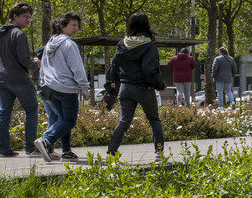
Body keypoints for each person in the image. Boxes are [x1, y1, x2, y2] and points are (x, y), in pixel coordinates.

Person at [105, 12, 167, 162]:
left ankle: (111, 152)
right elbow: (149, 70)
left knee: (123, 122)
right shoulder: (149, 45)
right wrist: (159, 83)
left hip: (125, 88)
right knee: (154, 120)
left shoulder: (121, 44)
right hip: (144, 88)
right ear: (146, 25)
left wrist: (114, 82)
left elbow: (114, 66)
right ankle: (158, 153)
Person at [36, 11, 90, 163]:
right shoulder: (69, 44)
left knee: (63, 120)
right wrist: (85, 88)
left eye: (77, 25)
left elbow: (44, 67)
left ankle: (66, 151)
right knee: (70, 121)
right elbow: (77, 68)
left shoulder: (49, 44)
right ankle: (46, 140)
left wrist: (44, 87)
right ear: (62, 26)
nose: (76, 28)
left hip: (50, 88)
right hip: (66, 89)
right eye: (73, 25)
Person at [0, 2, 40, 158]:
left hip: (1, 80)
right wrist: (35, 65)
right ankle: (30, 148)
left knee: (4, 113)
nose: (28, 20)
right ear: (14, 16)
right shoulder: (19, 34)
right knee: (31, 111)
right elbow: (24, 59)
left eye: (30, 18)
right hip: (19, 79)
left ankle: (4, 150)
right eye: (25, 17)